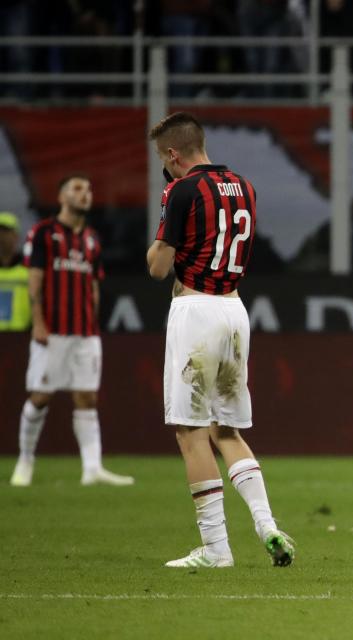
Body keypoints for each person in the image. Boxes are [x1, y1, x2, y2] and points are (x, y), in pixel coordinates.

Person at [146, 112, 295, 569]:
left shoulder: (182, 189)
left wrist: (161, 228)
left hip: (196, 310)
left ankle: (216, 549)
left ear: (173, 154)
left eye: (163, 160)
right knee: (226, 429)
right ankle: (267, 524)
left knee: (191, 432)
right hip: (234, 309)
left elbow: (157, 267)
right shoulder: (244, 186)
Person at [9, 176, 134, 487]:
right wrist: (38, 322)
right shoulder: (43, 233)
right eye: (78, 189)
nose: (85, 194)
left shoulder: (91, 238)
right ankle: (25, 461)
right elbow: (34, 279)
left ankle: (92, 468)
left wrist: (92, 323)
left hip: (84, 332)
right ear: (62, 196)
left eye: (89, 189)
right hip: (52, 331)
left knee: (87, 397)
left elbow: (93, 285)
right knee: (40, 396)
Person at [0, 212, 31, 331]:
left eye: (5, 231)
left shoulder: (29, 269)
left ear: (16, 235)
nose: (1, 236)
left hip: (21, 337)